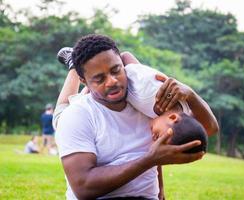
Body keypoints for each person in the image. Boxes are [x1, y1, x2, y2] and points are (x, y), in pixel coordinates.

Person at [55, 34, 218, 200]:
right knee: (61, 114)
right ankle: (73, 65)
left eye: (116, 70)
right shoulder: (77, 115)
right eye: (99, 78)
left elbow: (207, 128)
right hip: (79, 110)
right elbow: (83, 188)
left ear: (121, 65)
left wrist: (190, 93)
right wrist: (150, 159)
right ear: (84, 80)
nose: (112, 81)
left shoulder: (154, 103)